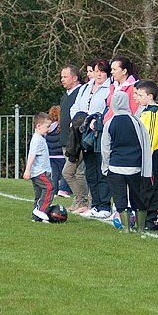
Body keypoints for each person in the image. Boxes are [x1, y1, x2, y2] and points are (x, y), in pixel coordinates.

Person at [101, 91, 152, 233]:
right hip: (135, 166)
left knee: (119, 196)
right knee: (137, 196)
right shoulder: (136, 122)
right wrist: (146, 169)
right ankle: (140, 227)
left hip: (115, 167)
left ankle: (125, 228)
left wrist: (105, 167)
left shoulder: (110, 123)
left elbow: (105, 148)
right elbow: (145, 144)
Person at [73, 59, 112, 218]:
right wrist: (78, 120)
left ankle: (105, 206)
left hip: (99, 133)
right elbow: (75, 106)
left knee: (101, 170)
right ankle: (95, 204)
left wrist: (95, 121)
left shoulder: (110, 88)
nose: (98, 75)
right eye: (96, 71)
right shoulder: (85, 88)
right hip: (85, 132)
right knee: (90, 171)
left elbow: (107, 110)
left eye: (102, 71)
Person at [135, 80, 158, 231]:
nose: (137, 97)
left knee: (152, 187)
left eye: (140, 95)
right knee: (143, 188)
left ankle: (153, 220)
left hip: (150, 156)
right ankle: (143, 219)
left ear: (150, 96)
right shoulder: (145, 111)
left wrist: (145, 155)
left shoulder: (154, 112)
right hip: (143, 155)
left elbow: (151, 138)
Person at [59, 65, 87, 210]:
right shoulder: (65, 96)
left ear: (75, 78)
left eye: (65, 77)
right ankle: (78, 201)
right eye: (62, 77)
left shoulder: (80, 93)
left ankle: (83, 202)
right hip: (66, 140)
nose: (62, 80)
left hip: (75, 141)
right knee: (71, 173)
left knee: (78, 172)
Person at [24, 112, 55, 222]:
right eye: (47, 127)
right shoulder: (37, 139)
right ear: (38, 126)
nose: (49, 129)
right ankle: (41, 211)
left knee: (39, 193)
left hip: (39, 172)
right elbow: (32, 155)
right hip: (39, 172)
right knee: (50, 187)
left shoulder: (40, 138)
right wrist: (27, 170)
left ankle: (36, 217)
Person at [104, 56, 140, 123]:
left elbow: (134, 110)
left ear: (124, 71)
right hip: (109, 124)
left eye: (114, 69)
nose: (111, 72)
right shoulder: (113, 87)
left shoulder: (133, 88)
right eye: (111, 69)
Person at [45, 106, 70, 198]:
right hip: (60, 154)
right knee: (65, 172)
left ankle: (54, 192)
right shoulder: (60, 127)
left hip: (51, 155)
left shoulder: (48, 128)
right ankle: (62, 189)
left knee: (55, 174)